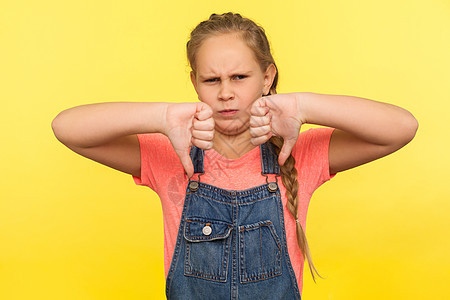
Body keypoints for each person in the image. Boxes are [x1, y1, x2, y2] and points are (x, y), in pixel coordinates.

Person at [52, 12, 418, 300]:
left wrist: (302, 106)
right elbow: (66, 127)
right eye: (212, 81)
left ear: (267, 76)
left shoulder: (298, 154)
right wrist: (160, 118)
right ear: (194, 83)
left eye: (240, 77)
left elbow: (401, 127)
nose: (226, 93)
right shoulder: (171, 156)